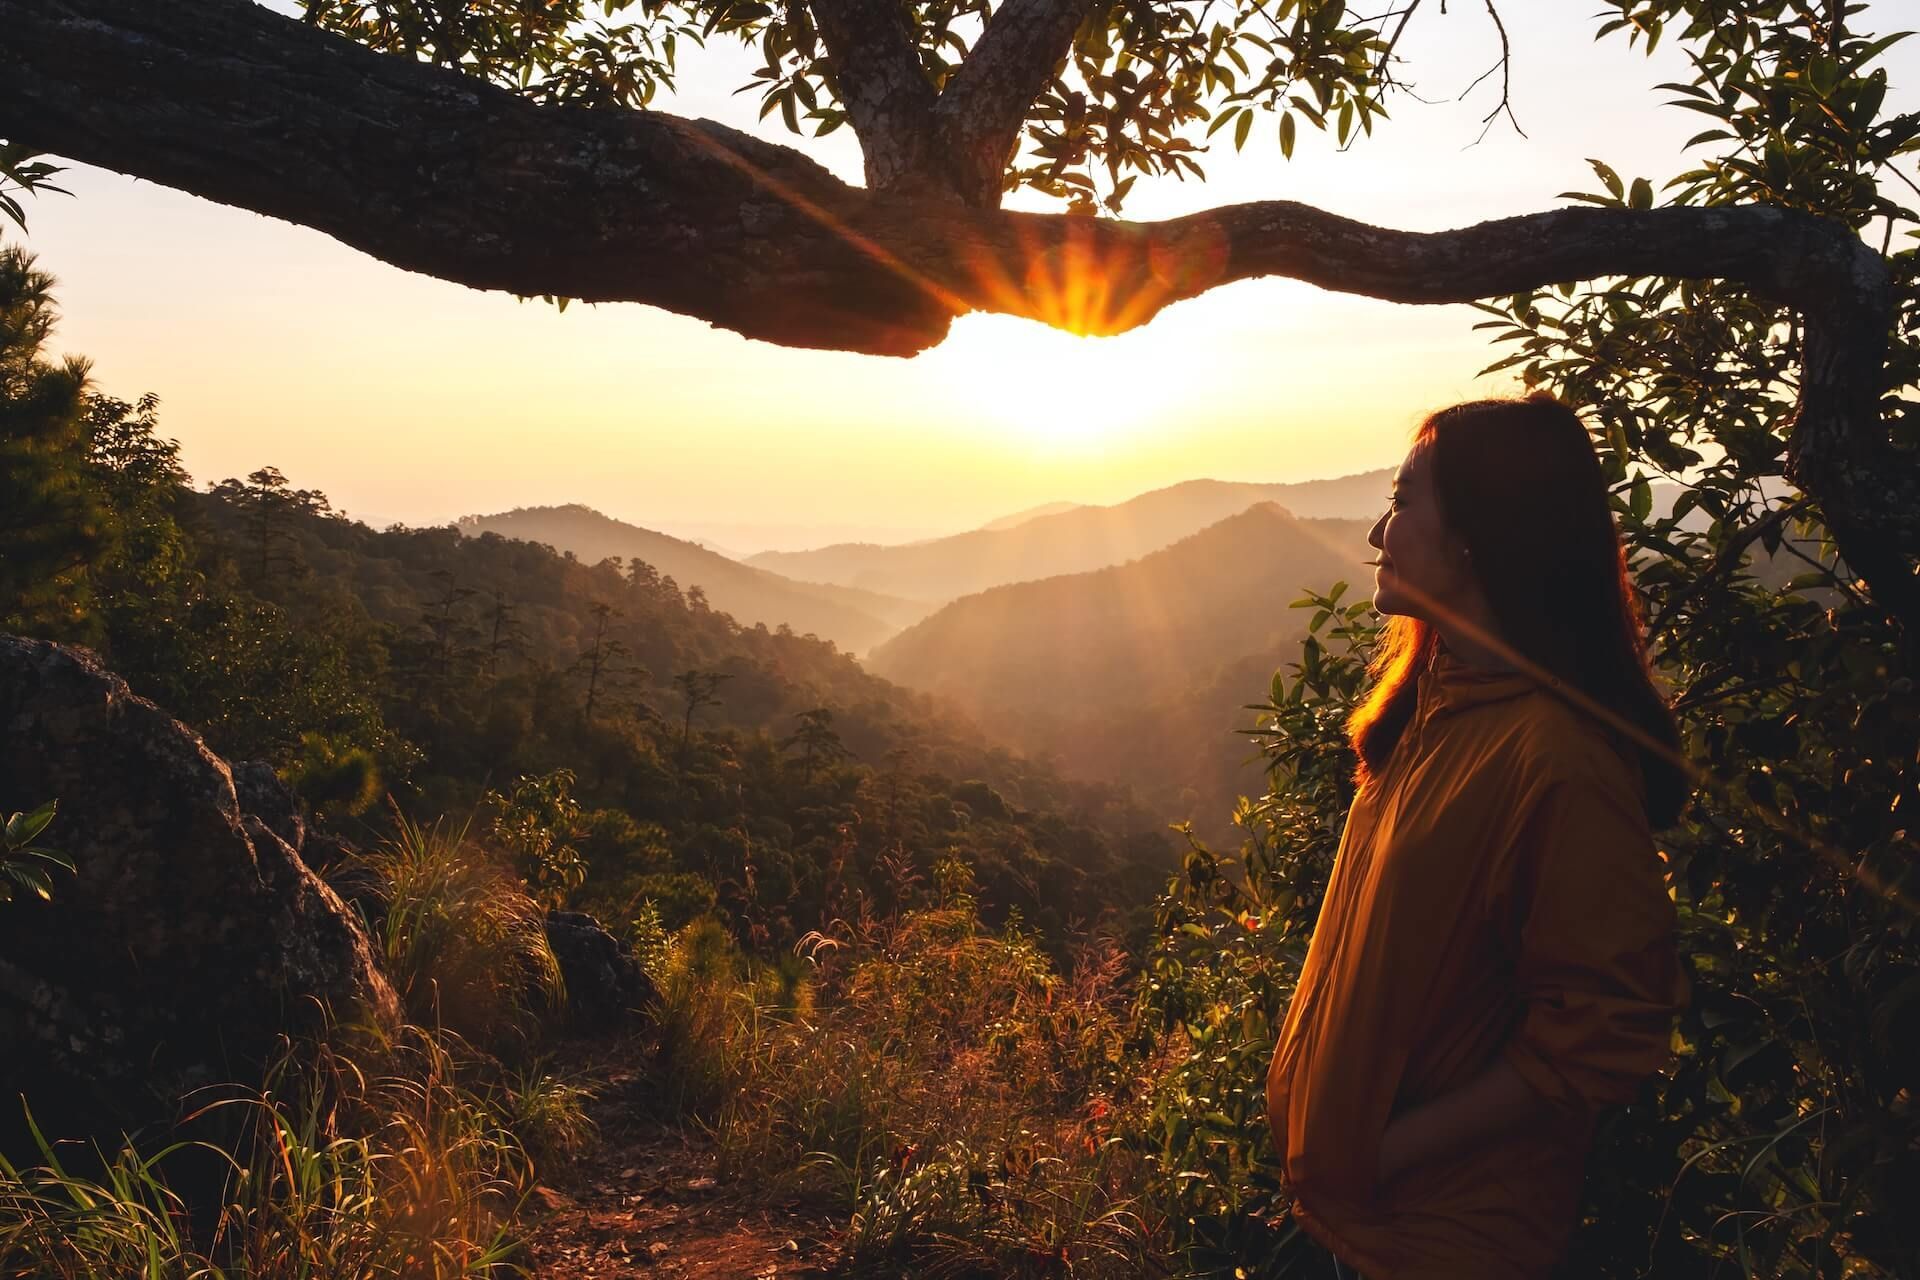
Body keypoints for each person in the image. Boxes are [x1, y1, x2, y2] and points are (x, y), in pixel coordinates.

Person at [1264, 394, 1692, 1279]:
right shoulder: (1435, 710)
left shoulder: (1559, 761)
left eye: (1404, 499)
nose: (1380, 532)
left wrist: (1386, 1150)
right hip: (1364, 1225)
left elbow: (1606, 1031)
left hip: (1451, 1240)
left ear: (1475, 538)